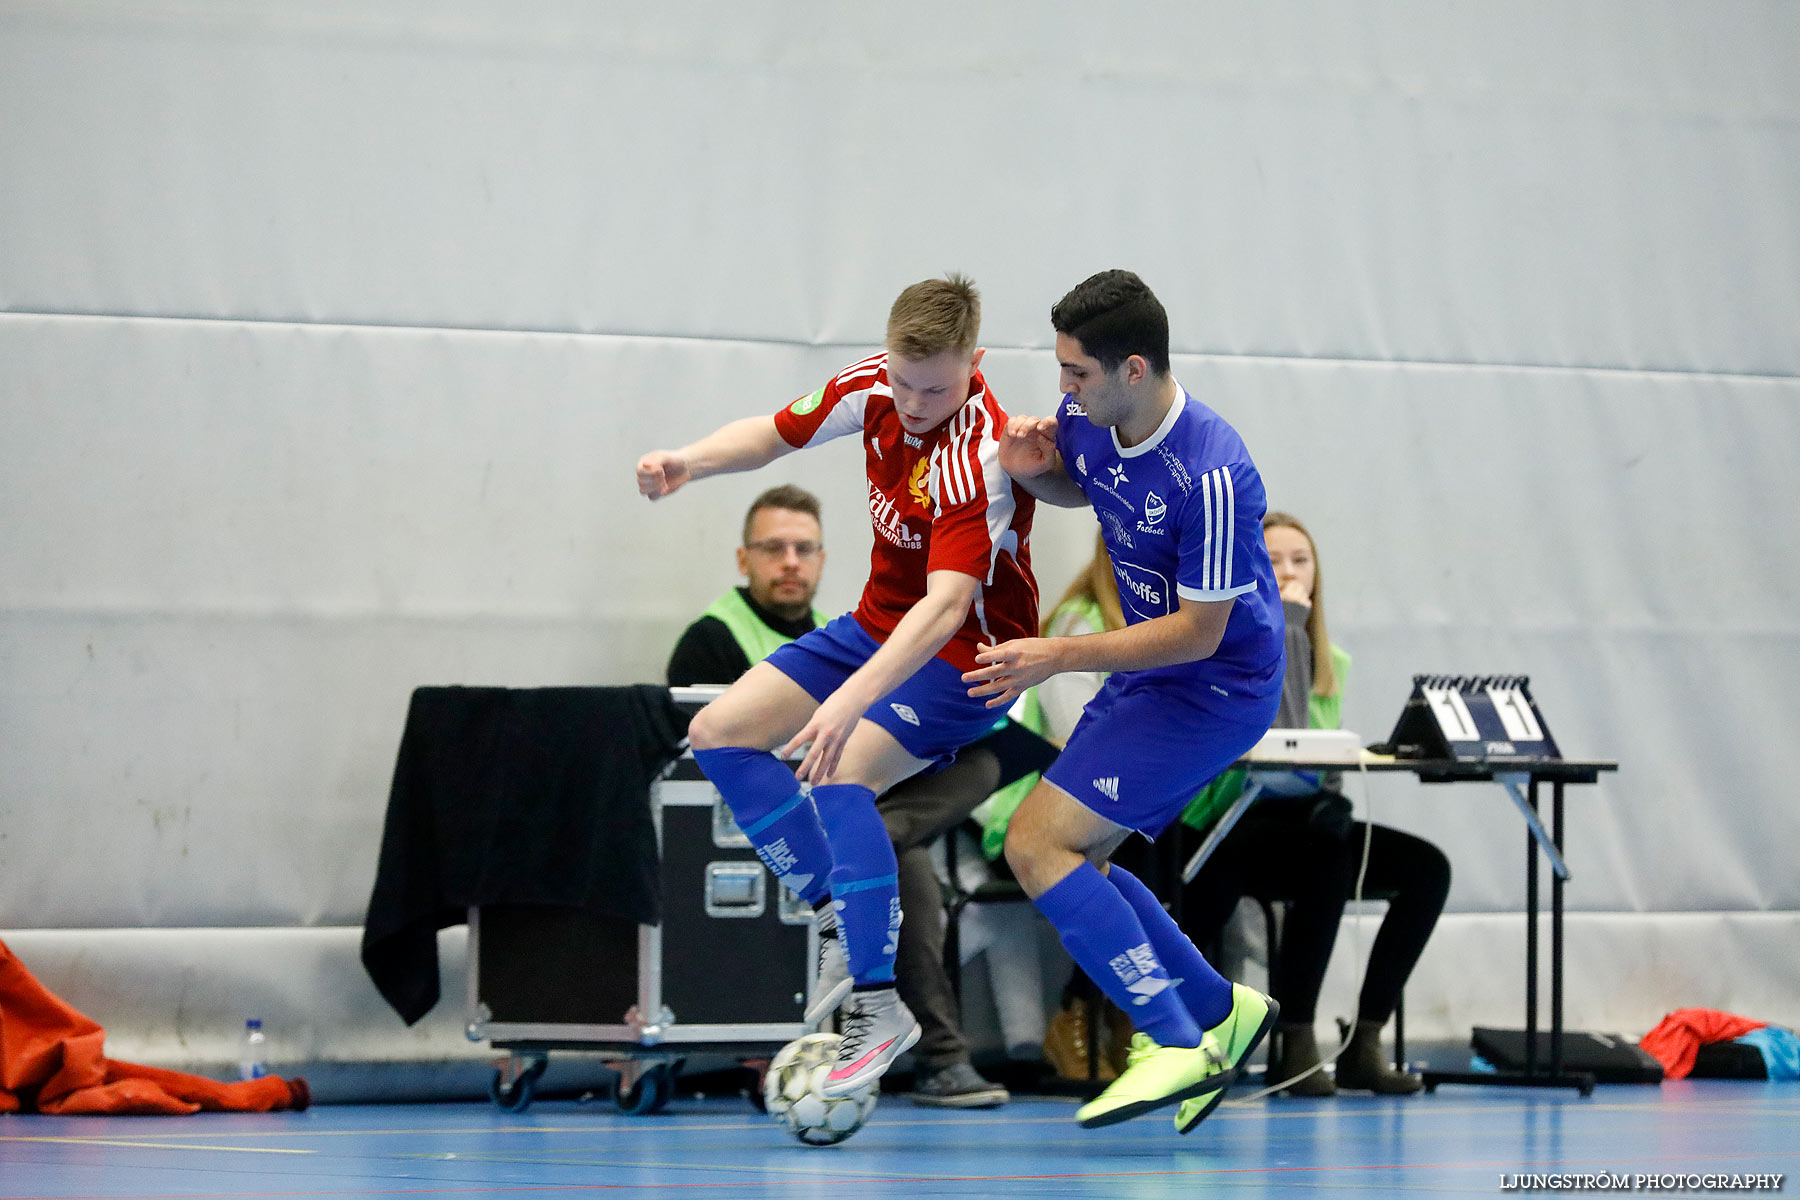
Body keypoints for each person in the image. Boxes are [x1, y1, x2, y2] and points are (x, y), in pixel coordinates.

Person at [637, 274, 1038, 1097]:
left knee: (842, 762)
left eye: (935, 386)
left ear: (976, 363)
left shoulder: (981, 455)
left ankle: (879, 1006)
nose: (914, 401)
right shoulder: (875, 386)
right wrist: (692, 461)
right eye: (901, 380)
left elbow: (946, 606)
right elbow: (773, 435)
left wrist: (849, 698)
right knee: (718, 733)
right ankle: (830, 908)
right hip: (877, 624)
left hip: (972, 655)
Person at [964, 269, 1283, 1134]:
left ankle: (1172, 1037)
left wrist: (1056, 657)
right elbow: (1091, 485)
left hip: (1216, 684)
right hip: (1150, 675)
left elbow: (1198, 633)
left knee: (1036, 845)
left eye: (1076, 374)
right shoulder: (1089, 420)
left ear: (1133, 370)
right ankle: (1221, 1011)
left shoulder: (1214, 474)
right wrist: (1038, 475)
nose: (1063, 390)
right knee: (1078, 862)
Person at [665, 483, 1011, 1107]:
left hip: (868, 790)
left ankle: (861, 926)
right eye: (773, 548)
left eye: (804, 548)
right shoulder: (714, 636)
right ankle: (939, 1055)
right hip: (796, 807)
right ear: (744, 560)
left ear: (824, 559)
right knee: (895, 857)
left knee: (948, 784)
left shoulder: (851, 635)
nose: (790, 562)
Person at [1179, 512, 1451, 1096]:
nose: (1288, 573)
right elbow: (1286, 738)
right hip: (1226, 822)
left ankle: (1365, 1039)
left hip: (1300, 820)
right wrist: (1290, 625)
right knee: (1325, 856)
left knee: (1427, 869)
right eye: (1272, 561)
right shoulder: (1227, 648)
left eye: (1300, 561)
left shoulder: (1334, 662)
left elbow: (1315, 762)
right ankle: (1295, 1041)